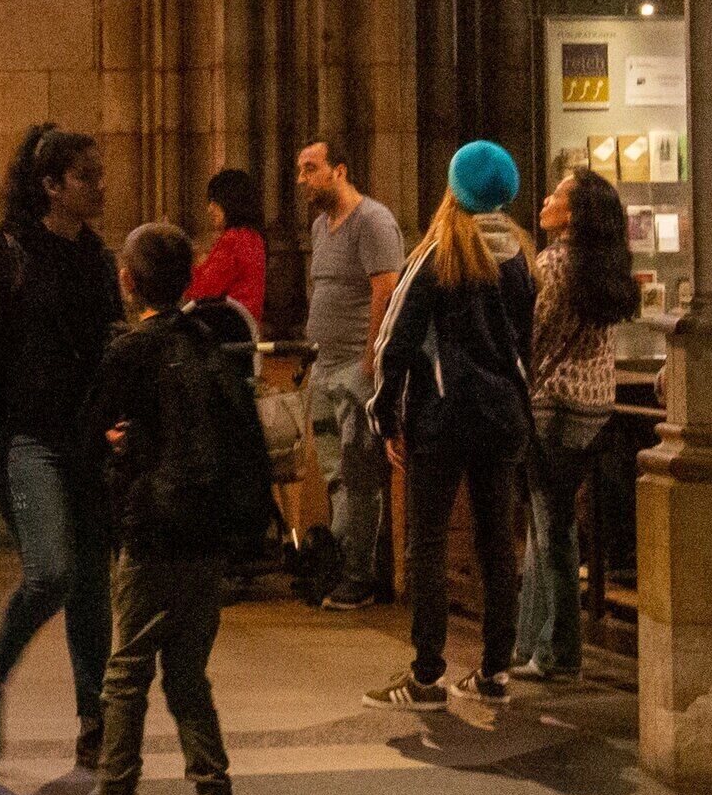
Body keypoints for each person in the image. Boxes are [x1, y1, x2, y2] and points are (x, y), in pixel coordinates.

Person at [72, 222, 264, 795]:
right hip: (208, 530)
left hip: (154, 526)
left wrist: (118, 452)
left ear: (127, 281)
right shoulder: (210, 341)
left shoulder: (132, 349)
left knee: (125, 672)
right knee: (186, 673)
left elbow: (89, 431)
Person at [0, 122, 123, 768]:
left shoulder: (98, 259)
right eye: (86, 178)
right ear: (50, 186)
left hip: (88, 438)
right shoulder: (8, 254)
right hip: (22, 437)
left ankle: (94, 719)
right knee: (51, 573)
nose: (99, 187)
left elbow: (109, 347)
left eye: (99, 176)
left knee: (93, 581)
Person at [364, 142, 536, 710]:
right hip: (504, 416)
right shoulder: (519, 258)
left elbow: (395, 339)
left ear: (453, 189)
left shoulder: (440, 253)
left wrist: (385, 415)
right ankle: (493, 673)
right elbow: (526, 344)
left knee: (428, 544)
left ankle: (427, 676)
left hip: (443, 415)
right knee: (497, 545)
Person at [513, 167, 637, 683]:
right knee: (552, 525)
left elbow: (533, 336)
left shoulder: (551, 264)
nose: (545, 200)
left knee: (551, 527)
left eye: (557, 195)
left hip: (550, 406)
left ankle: (559, 650)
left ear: (575, 213)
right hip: (592, 405)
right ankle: (530, 643)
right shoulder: (601, 266)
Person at [294, 139, 404, 608]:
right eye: (300, 170)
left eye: (311, 168)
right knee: (336, 471)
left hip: (356, 368)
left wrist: (370, 359)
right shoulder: (321, 226)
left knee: (360, 471)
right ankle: (346, 563)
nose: (302, 179)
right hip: (324, 365)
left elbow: (385, 290)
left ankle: (361, 576)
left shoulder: (373, 221)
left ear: (339, 170)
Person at [186, 168, 267, 372]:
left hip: (225, 336)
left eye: (214, 201)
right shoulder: (253, 237)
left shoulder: (234, 239)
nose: (209, 209)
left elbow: (201, 291)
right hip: (242, 332)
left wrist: (187, 263)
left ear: (231, 201)